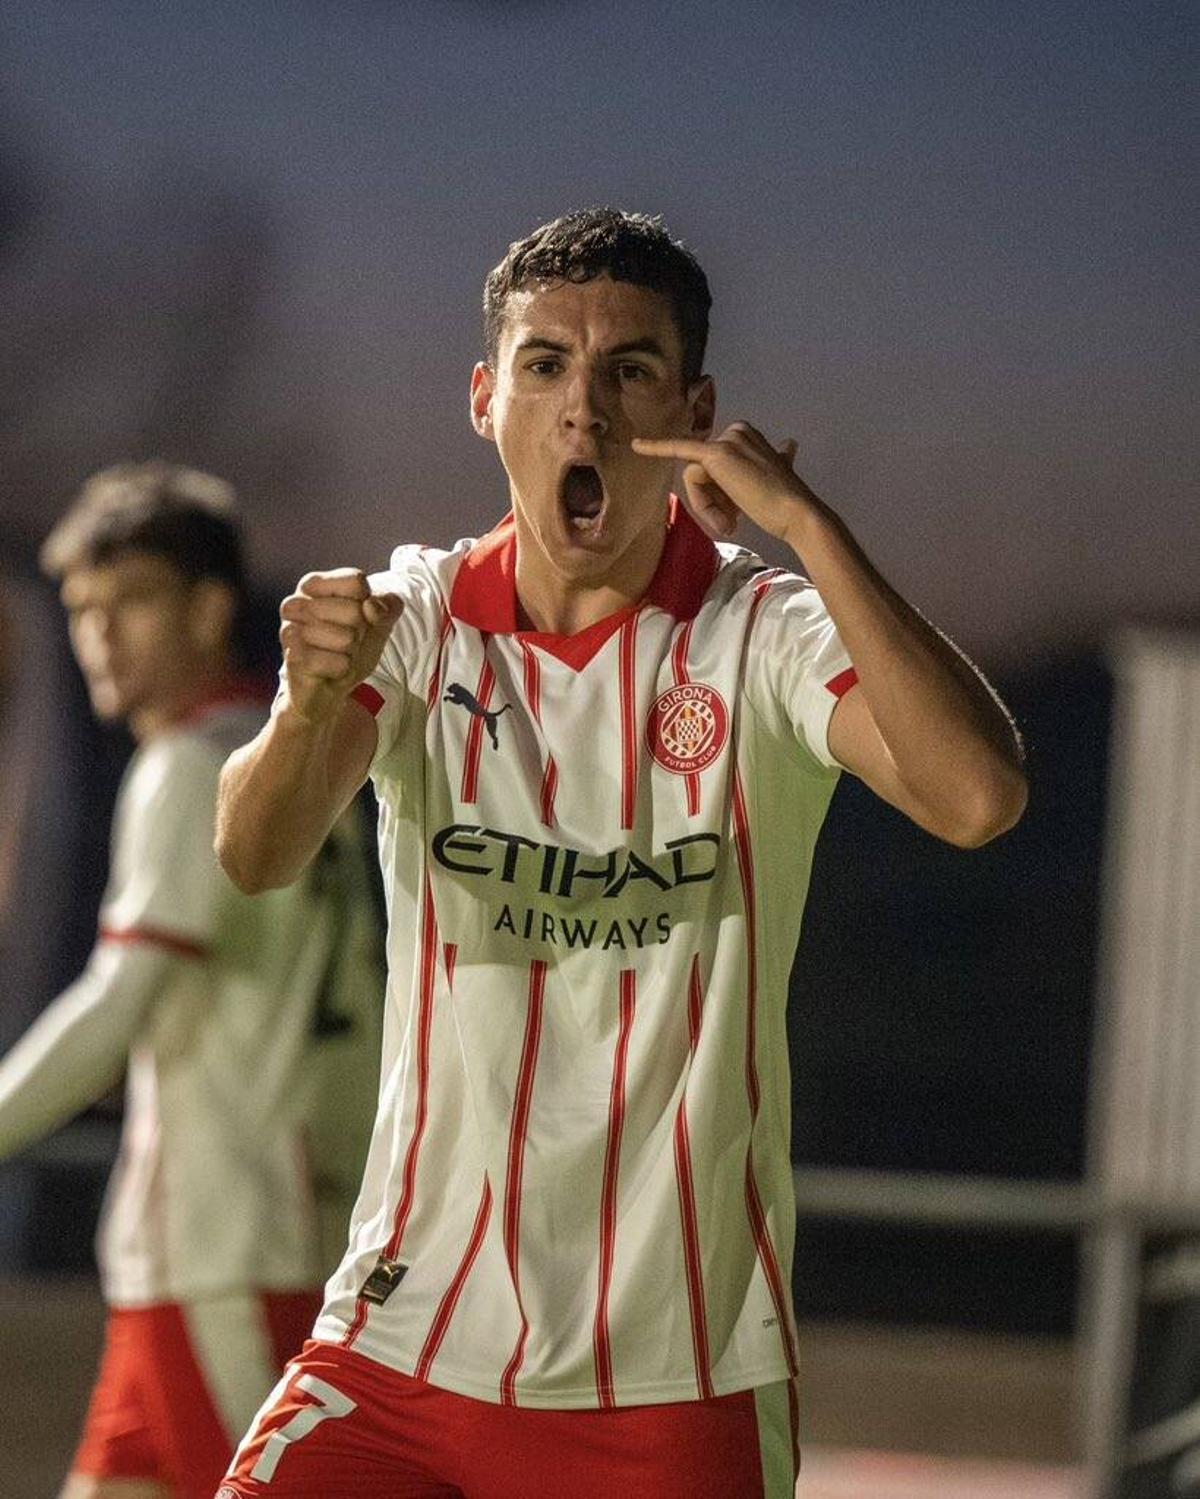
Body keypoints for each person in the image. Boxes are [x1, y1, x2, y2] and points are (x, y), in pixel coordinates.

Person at [214, 208, 1028, 1499]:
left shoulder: (760, 632)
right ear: (486, 399)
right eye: (544, 366)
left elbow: (979, 795)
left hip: (675, 1376)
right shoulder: (419, 617)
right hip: (401, 1341)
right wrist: (307, 704)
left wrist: (807, 522)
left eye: (628, 370)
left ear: (692, 409)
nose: (581, 412)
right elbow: (254, 856)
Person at [0, 462, 382, 1499]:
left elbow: (116, 1000)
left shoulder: (187, 767)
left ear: (211, 608)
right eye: (82, 608)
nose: (99, 635)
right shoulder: (292, 762)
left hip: (222, 1244)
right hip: (240, 1236)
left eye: (131, 602)